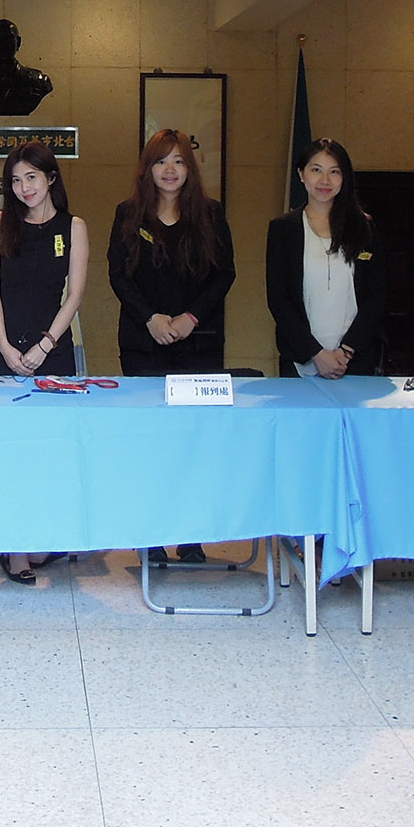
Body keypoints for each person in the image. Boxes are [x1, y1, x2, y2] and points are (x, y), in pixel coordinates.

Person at [109, 128, 235, 566]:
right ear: (148, 168)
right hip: (143, 344)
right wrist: (151, 318)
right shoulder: (129, 214)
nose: (170, 170)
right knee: (151, 441)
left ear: (190, 168)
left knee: (193, 440)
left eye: (179, 161)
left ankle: (191, 534)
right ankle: (151, 533)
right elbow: (118, 275)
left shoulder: (210, 214)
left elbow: (224, 274)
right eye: (162, 161)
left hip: (198, 343)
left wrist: (189, 318)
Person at [0, 141, 89, 585]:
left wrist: (45, 345)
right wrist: (6, 348)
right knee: (9, 452)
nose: (24, 187)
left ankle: (44, 536)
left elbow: (74, 294)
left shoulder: (73, 226)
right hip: (3, 351)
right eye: (16, 180)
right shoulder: (0, 222)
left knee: (49, 451)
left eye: (32, 177)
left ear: (50, 178)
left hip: (53, 352)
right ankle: (15, 548)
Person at [267, 138, 388, 379]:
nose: (325, 180)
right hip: (300, 360)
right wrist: (317, 354)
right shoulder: (283, 229)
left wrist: (346, 351)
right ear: (301, 174)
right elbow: (279, 299)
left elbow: (377, 296)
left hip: (356, 360)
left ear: (344, 178)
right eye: (316, 170)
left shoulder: (363, 227)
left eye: (334, 172)